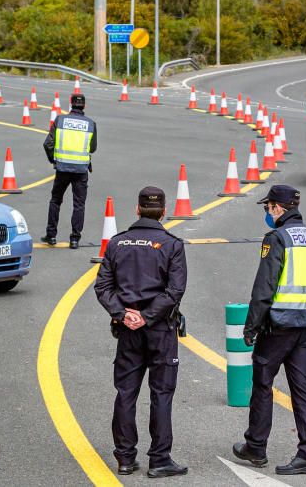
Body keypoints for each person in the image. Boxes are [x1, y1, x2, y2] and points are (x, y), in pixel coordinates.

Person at [232, 184, 306, 476]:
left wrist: (251, 326)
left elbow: (265, 287)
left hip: (278, 327)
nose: (266, 213)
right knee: (303, 389)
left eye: (267, 208)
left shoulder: (276, 238)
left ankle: (256, 446)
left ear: (277, 208)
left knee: (262, 384)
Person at [95, 186, 188, 478]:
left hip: (127, 331)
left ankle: (124, 458)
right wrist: (147, 317)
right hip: (160, 329)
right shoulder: (172, 244)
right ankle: (159, 459)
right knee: (161, 393)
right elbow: (175, 291)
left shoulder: (117, 243)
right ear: (163, 212)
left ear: (136, 209)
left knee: (126, 392)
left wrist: (124, 315)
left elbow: (103, 286)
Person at [42, 93, 97, 248]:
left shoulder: (60, 120)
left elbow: (47, 144)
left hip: (62, 168)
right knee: (79, 204)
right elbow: (93, 148)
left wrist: (54, 159)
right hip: (81, 170)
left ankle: (51, 235)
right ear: (84, 106)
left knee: (56, 200)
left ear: (71, 104)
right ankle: (74, 239)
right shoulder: (91, 124)